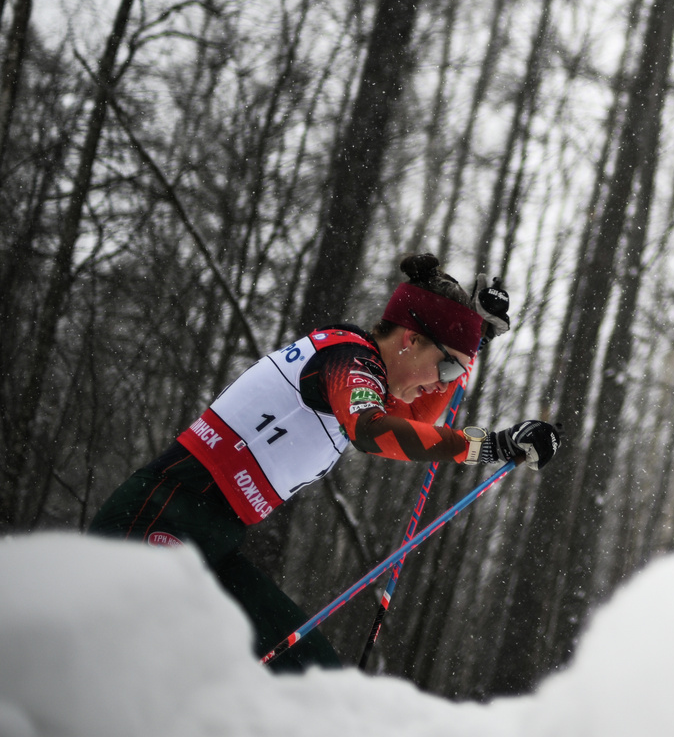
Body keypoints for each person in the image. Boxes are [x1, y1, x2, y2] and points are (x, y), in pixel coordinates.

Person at [88, 253, 561, 672]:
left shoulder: (370, 373)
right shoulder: (348, 359)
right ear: (410, 341)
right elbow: (373, 433)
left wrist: (474, 342)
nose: (445, 384)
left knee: (314, 678)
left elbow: (417, 417)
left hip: (215, 542)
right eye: (450, 368)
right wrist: (489, 446)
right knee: (109, 671)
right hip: (163, 511)